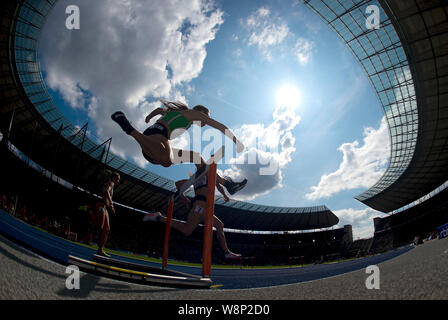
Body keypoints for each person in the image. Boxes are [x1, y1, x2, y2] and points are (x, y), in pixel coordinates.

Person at [111, 100, 247, 195]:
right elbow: (220, 126)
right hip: (159, 137)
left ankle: (227, 184)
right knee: (166, 160)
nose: (206, 121)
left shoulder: (176, 114)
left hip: (152, 144)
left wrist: (149, 117)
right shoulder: (194, 114)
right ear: (201, 112)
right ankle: (130, 129)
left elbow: (159, 110)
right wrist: (237, 141)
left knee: (195, 157)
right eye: (206, 117)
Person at [143, 163, 241, 260]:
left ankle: (226, 252)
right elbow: (178, 184)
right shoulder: (198, 176)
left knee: (218, 225)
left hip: (205, 207)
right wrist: (184, 198)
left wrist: (224, 195)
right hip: (200, 204)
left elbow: (217, 185)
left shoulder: (204, 176)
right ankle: (158, 217)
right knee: (188, 229)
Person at [96, 172, 120, 257]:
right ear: (114, 178)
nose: (118, 181)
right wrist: (112, 204)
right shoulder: (111, 183)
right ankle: (87, 235)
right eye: (118, 179)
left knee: (107, 229)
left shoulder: (111, 184)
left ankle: (100, 249)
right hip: (101, 204)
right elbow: (106, 191)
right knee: (100, 227)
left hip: (105, 206)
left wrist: (109, 206)